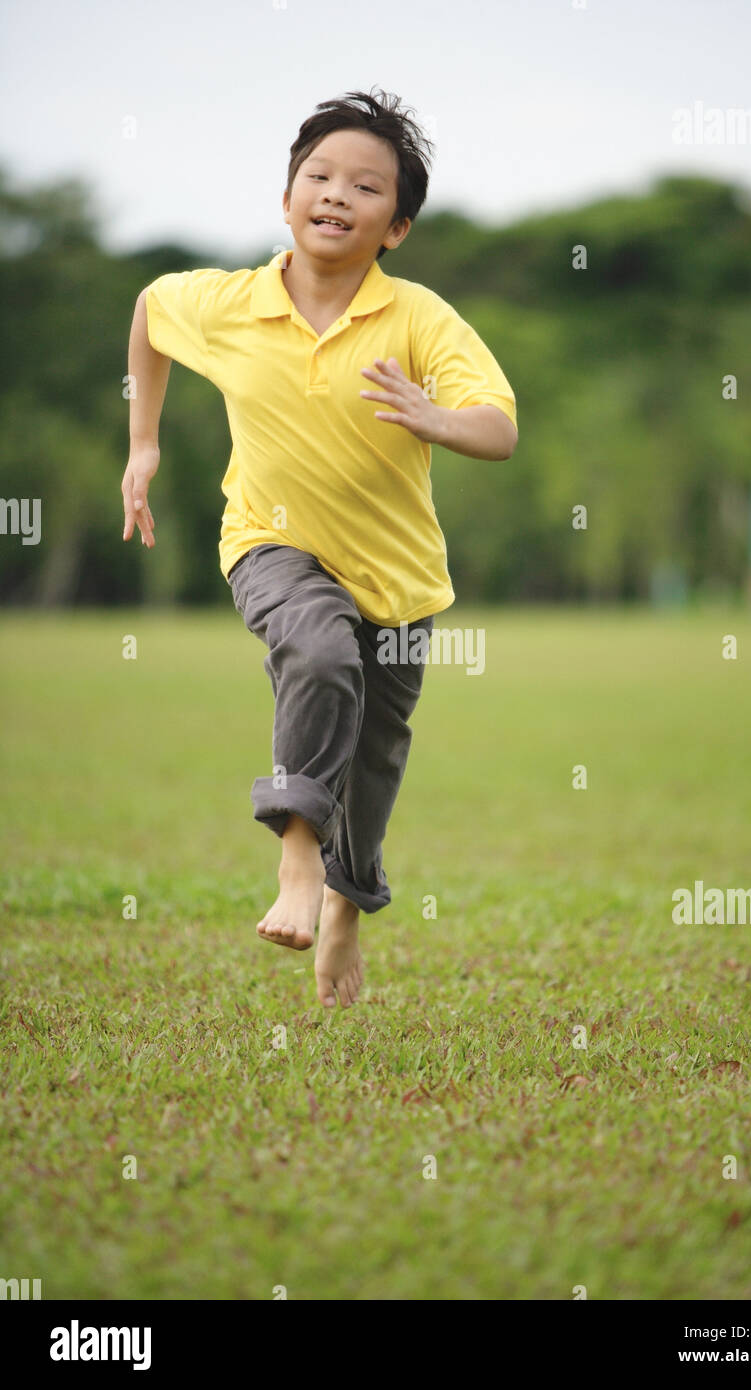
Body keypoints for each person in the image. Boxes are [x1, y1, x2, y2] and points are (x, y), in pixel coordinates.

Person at [121, 87, 518, 1009]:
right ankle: (297, 857)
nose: (337, 194)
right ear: (288, 194)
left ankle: (346, 897)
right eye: (320, 176)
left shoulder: (418, 318)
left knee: (374, 767)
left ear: (398, 226)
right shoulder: (227, 303)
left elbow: (497, 430)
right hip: (270, 543)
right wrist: (144, 440)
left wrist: (437, 418)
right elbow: (149, 310)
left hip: (401, 580)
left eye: (366, 187)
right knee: (318, 644)